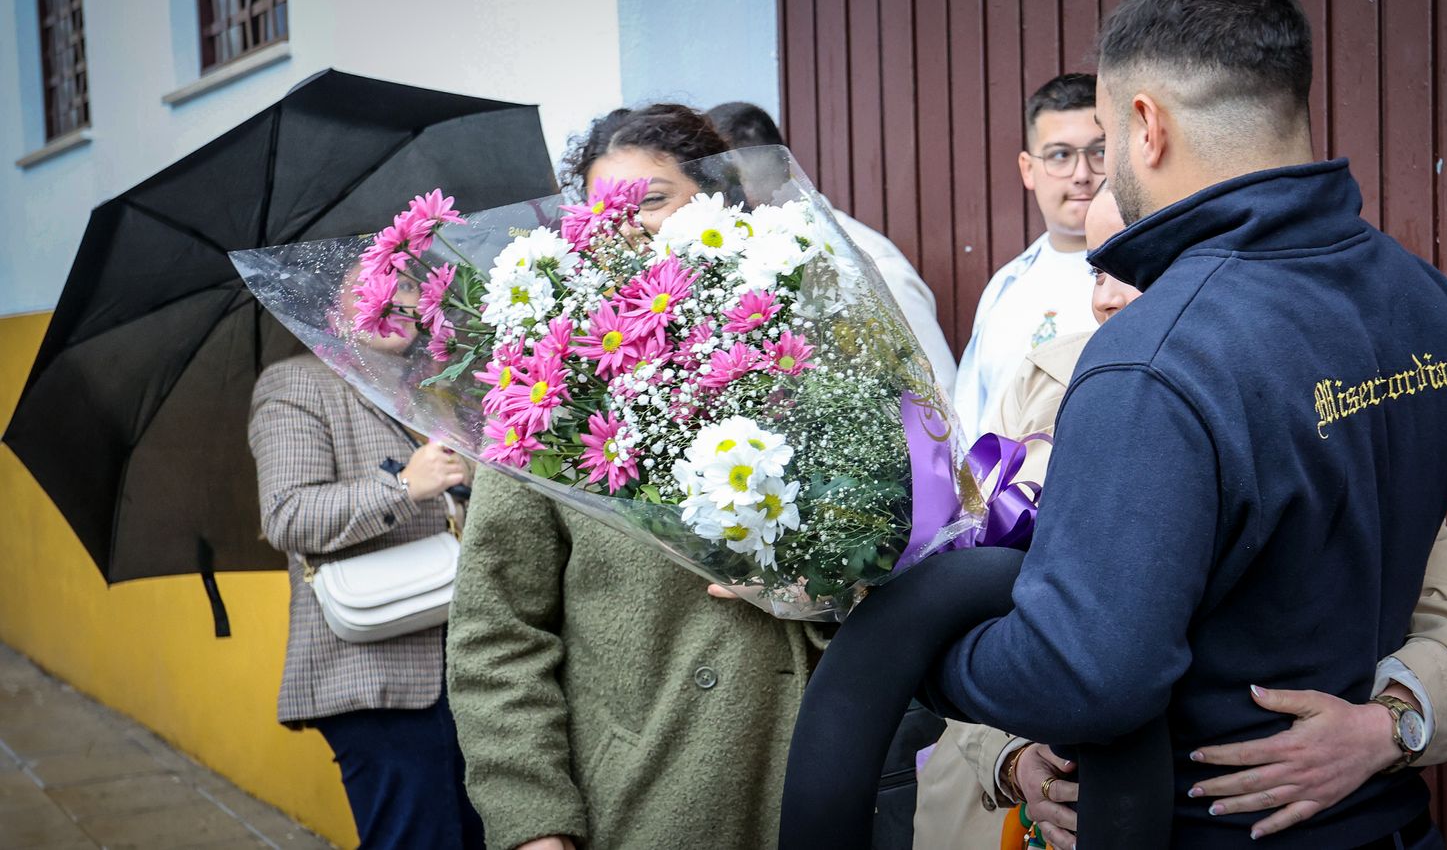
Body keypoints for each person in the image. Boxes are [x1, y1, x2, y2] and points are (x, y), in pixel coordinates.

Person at [928, 0, 1447, 848]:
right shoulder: (1423, 294)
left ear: (1146, 126)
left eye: (1105, 136)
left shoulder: (1154, 358)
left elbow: (1089, 677)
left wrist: (918, 651)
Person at [446, 104, 818, 850]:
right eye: (600, 210)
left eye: (650, 199)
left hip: (812, 764)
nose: (624, 225)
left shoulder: (799, 357)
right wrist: (532, 822)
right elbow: (498, 631)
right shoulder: (543, 398)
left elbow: (889, 549)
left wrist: (825, 591)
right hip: (646, 789)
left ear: (718, 202)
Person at [247, 266, 483, 849]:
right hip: (377, 672)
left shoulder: (433, 392)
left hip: (471, 660)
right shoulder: (298, 383)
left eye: (407, 285)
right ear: (332, 313)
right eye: (372, 285)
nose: (396, 297)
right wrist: (403, 487)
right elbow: (287, 515)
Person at [706, 101, 958, 395]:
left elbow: (938, 387)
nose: (722, 199)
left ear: (780, 170)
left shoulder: (869, 262)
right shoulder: (733, 263)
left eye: (731, 184)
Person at [952, 74, 1104, 435]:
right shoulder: (1006, 287)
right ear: (1028, 169)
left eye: (1099, 152)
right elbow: (969, 419)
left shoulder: (1144, 279)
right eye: (1060, 155)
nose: (1081, 174)